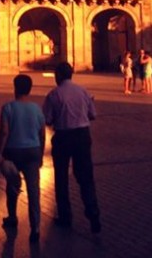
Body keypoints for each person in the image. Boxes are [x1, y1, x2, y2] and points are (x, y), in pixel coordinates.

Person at [42, 62, 101, 234]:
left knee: (61, 178)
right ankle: (93, 213)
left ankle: (65, 217)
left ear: (58, 75)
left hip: (63, 137)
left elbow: (48, 119)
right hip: (83, 136)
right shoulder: (83, 91)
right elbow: (93, 115)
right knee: (86, 177)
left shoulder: (54, 94)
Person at [0, 74, 46, 243]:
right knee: (34, 190)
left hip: (13, 151)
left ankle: (12, 217)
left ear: (15, 87)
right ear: (30, 89)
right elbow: (42, 133)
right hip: (33, 151)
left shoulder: (8, 108)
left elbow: (4, 132)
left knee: (12, 186)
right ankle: (36, 227)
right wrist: (40, 152)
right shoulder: (37, 109)